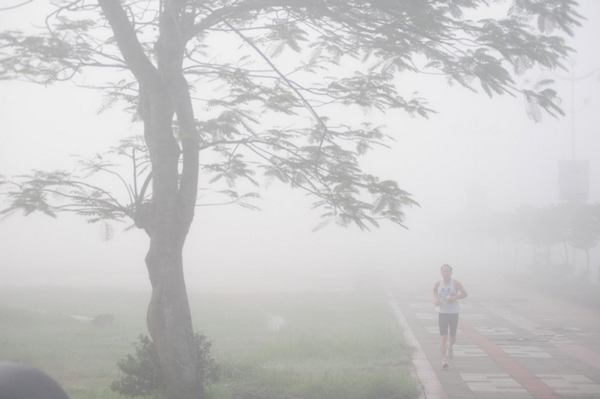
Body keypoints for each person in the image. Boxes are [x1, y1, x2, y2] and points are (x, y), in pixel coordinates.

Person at [433, 264, 468, 369]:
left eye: (447, 271)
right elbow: (434, 290)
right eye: (444, 271)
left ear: (451, 272)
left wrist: (454, 297)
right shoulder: (438, 283)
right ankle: (444, 360)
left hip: (453, 313)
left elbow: (465, 293)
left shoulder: (456, 283)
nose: (446, 273)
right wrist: (436, 300)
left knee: (452, 337)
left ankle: (450, 346)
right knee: (443, 336)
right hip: (442, 312)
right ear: (441, 272)